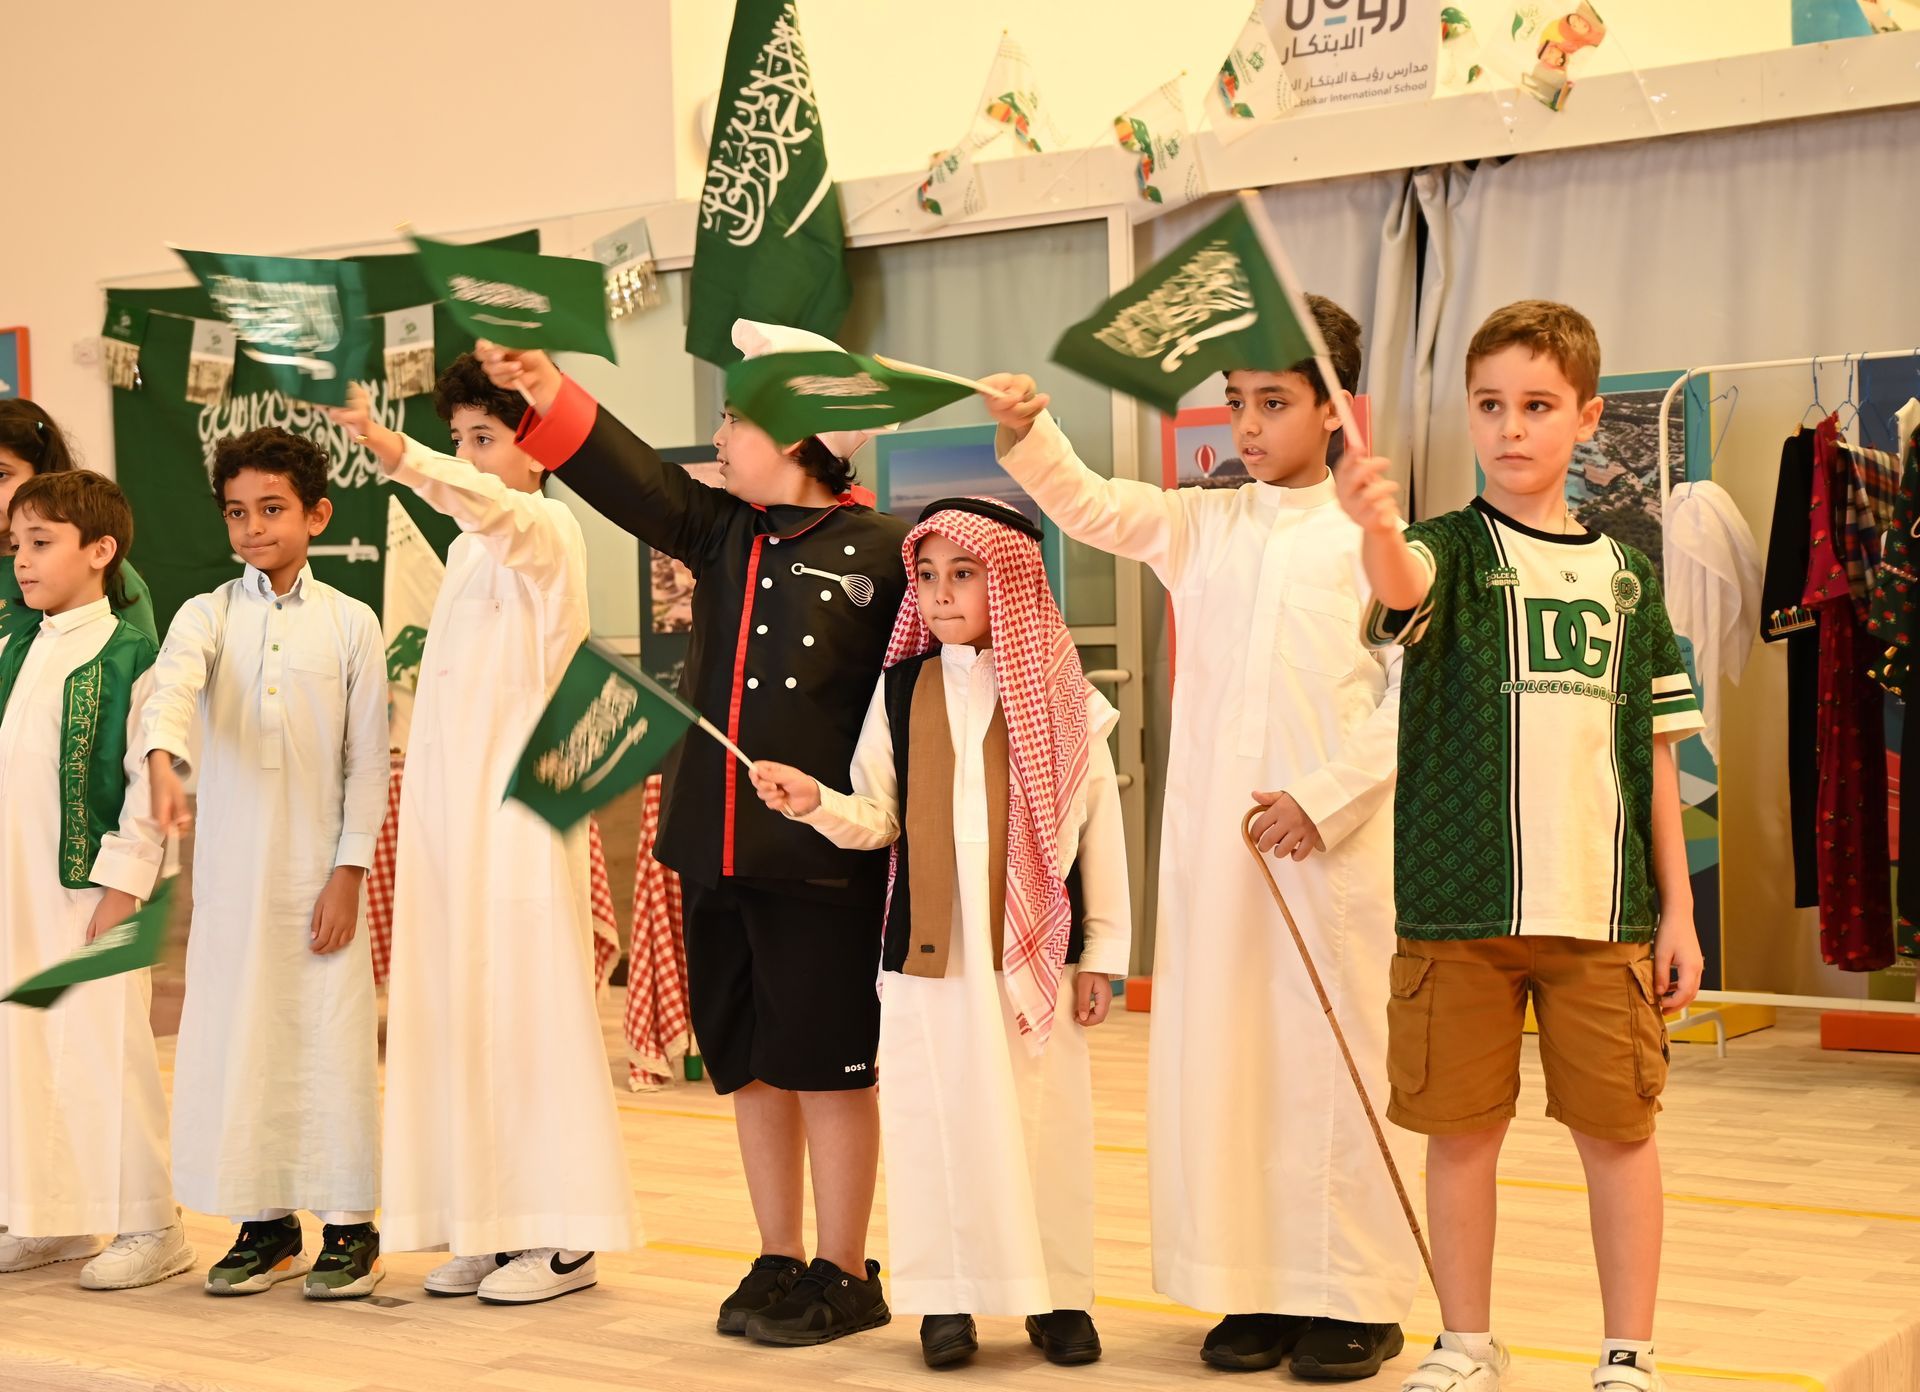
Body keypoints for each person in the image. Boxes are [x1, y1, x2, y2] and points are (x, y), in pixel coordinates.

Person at [981, 295, 1417, 1379]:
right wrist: (1030, 431)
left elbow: (1416, 699)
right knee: (1223, 1063)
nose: (1250, 425)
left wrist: (1323, 798)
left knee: (1332, 1061)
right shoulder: (1203, 524)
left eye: (1275, 402)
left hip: (1338, 858)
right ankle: (1249, 1289)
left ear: (1335, 410)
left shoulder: (1384, 543)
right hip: (1218, 859)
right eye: (1237, 402)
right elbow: (1089, 504)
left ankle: (1353, 1297)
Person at [487, 323, 905, 1345]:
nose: (716, 434)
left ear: (801, 435)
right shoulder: (724, 532)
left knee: (829, 1065)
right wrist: (549, 389)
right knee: (752, 1062)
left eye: (735, 417)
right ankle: (776, 1253)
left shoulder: (889, 553)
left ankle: (846, 1270)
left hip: (823, 863)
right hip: (716, 851)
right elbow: (626, 477)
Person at [1336, 300, 1704, 1392]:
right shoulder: (1441, 549)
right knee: (1461, 1135)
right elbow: (1398, 590)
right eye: (1490, 405)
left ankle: (1627, 1351)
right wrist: (1371, 526)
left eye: (1538, 406)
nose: (1512, 427)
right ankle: (1465, 1341)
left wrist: (1677, 913)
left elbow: (1657, 766)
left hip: (1603, 915)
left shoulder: (1633, 583)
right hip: (1460, 910)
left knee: (1620, 1135)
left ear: (1587, 418)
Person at [750, 497, 1131, 1370]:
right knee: (937, 1126)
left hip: (1032, 957)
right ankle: (947, 1300)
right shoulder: (902, 689)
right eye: (926, 577)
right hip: (928, 959)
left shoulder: (1065, 696)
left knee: (1046, 1128)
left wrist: (1104, 954)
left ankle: (1056, 1297)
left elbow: (1099, 826)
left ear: (1015, 583)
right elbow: (880, 817)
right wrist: (819, 805)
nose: (940, 593)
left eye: (965, 574)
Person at [328, 355, 638, 1305]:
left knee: (529, 1009)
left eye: (483, 439)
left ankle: (563, 1230)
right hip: (445, 814)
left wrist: (402, 455)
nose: (467, 457)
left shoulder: (547, 527)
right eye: (457, 438)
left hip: (520, 817)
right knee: (453, 1009)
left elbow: (490, 509)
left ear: (535, 449)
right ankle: (485, 1220)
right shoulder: (465, 555)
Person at [141, 427, 388, 1299]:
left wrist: (348, 871)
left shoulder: (351, 623)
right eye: (238, 513)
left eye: (273, 509)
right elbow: (173, 684)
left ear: (317, 514)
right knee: (239, 1041)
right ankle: (265, 1222)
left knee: (327, 1043)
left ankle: (351, 1226)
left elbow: (367, 761)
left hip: (318, 879)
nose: (253, 529)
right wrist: (164, 756)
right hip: (235, 885)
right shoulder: (207, 612)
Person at [0, 469, 190, 1291]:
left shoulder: (133, 655)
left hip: (90, 895)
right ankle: (55, 1218)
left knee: (107, 1054)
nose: (22, 562)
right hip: (16, 891)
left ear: (101, 552)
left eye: (41, 544)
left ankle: (155, 1223)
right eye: (16, 546)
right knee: (27, 1054)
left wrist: (123, 886)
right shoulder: (15, 648)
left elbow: (153, 786)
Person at [0, 400, 156, 646]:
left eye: (1, 475)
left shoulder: (101, 567)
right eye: (18, 547)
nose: (23, 562)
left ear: (43, 473)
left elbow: (143, 666)